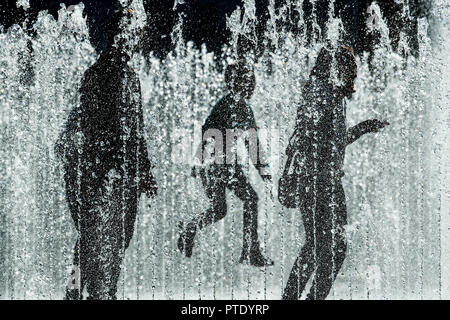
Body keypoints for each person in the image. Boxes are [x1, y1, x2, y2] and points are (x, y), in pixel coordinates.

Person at [55, 8, 157, 300]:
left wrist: (144, 169)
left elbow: (130, 126)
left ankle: (85, 292)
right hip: (107, 171)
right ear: (121, 36)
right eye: (134, 33)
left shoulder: (111, 74)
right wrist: (136, 170)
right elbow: (124, 127)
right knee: (102, 238)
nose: (137, 39)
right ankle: (90, 293)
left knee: (100, 239)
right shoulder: (113, 74)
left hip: (107, 170)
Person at [281, 45, 389, 300]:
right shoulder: (321, 94)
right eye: (349, 69)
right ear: (336, 69)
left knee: (323, 247)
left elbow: (332, 141)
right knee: (328, 247)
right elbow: (310, 140)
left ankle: (296, 298)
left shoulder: (329, 95)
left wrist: (364, 128)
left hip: (326, 181)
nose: (353, 75)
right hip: (317, 181)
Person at [177, 61, 274, 267]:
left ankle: (191, 228)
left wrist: (263, 169)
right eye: (247, 81)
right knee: (240, 203)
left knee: (227, 207)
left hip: (222, 164)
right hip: (216, 164)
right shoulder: (229, 105)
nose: (252, 85)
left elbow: (251, 141)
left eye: (252, 80)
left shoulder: (241, 107)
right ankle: (250, 251)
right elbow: (211, 134)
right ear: (235, 82)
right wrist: (202, 162)